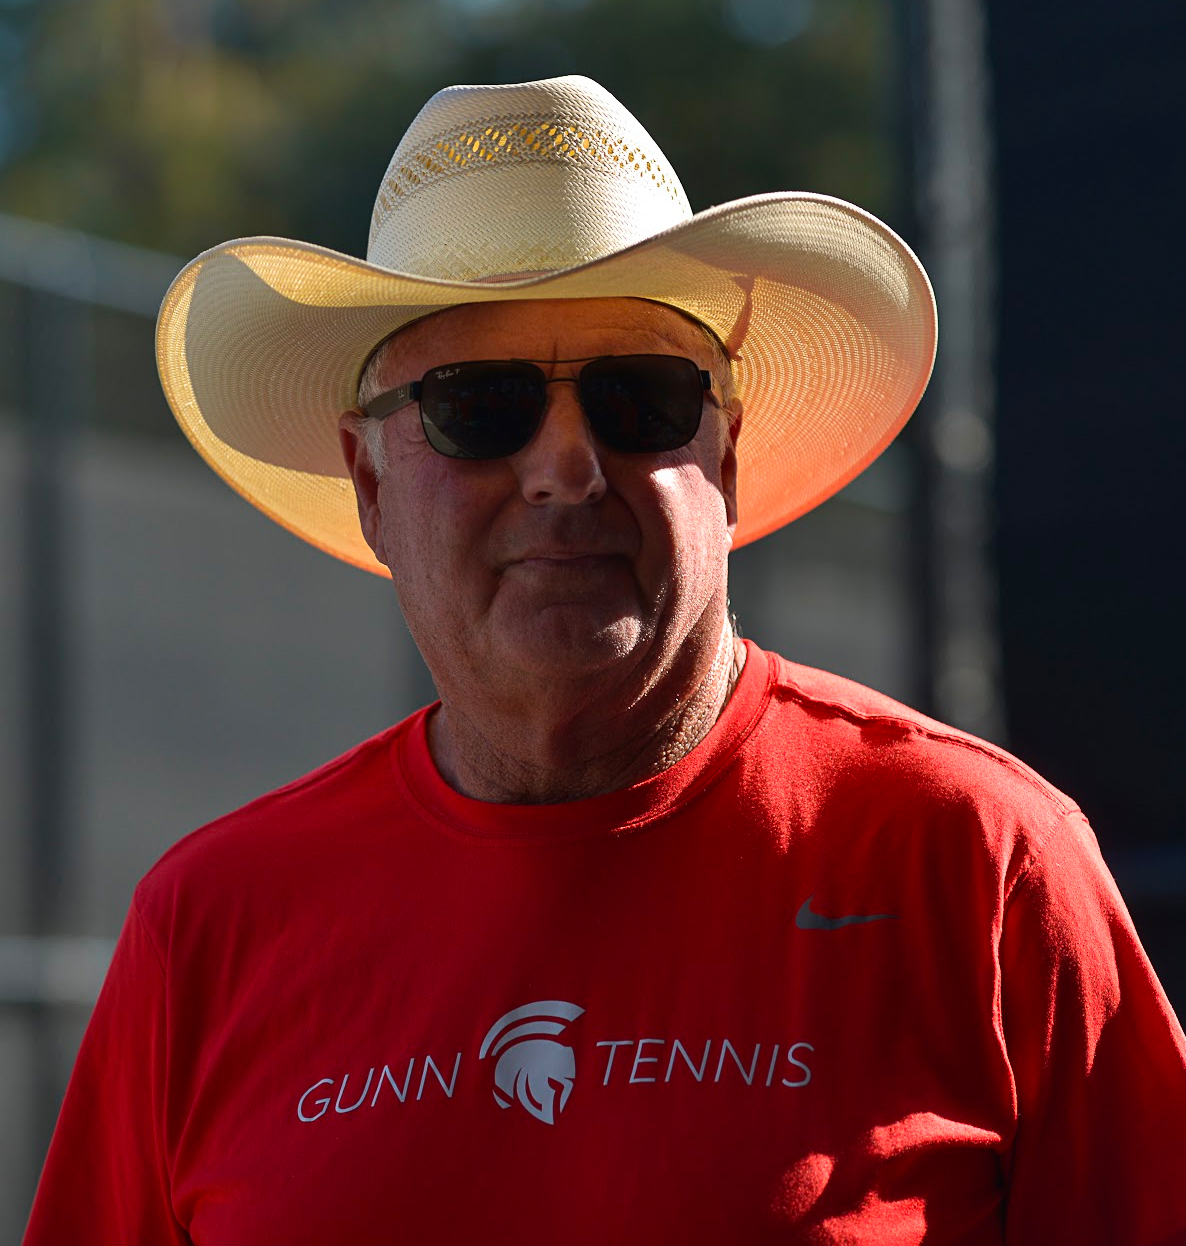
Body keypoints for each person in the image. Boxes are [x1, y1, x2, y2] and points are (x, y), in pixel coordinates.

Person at [25, 76, 1186, 1245]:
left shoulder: (977, 858)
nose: (566, 469)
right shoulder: (212, 925)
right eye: (480, 406)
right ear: (370, 481)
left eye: (639, 398)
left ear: (724, 458)